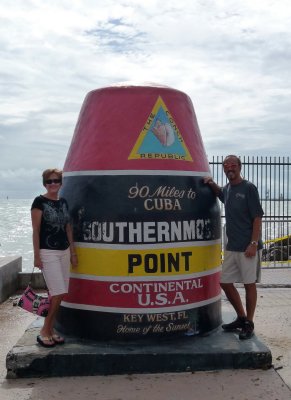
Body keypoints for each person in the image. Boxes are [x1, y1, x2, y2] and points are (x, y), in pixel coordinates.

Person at [204, 155, 264, 339]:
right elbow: (220, 194)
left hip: (248, 247)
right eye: (226, 165)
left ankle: (249, 323)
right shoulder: (228, 189)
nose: (229, 168)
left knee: (249, 284)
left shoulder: (249, 188)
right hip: (232, 247)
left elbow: (257, 217)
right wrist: (210, 182)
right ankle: (241, 317)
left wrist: (253, 244)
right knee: (225, 282)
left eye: (233, 165)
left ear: (239, 167)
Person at [31, 168, 78, 347]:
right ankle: (45, 330)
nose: (53, 184)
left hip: (64, 251)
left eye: (56, 180)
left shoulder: (63, 202)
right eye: (49, 181)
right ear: (44, 183)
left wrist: (73, 252)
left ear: (61, 183)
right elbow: (35, 230)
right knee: (57, 293)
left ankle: (51, 329)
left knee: (61, 293)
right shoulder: (39, 201)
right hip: (47, 252)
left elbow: (68, 228)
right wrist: (36, 256)